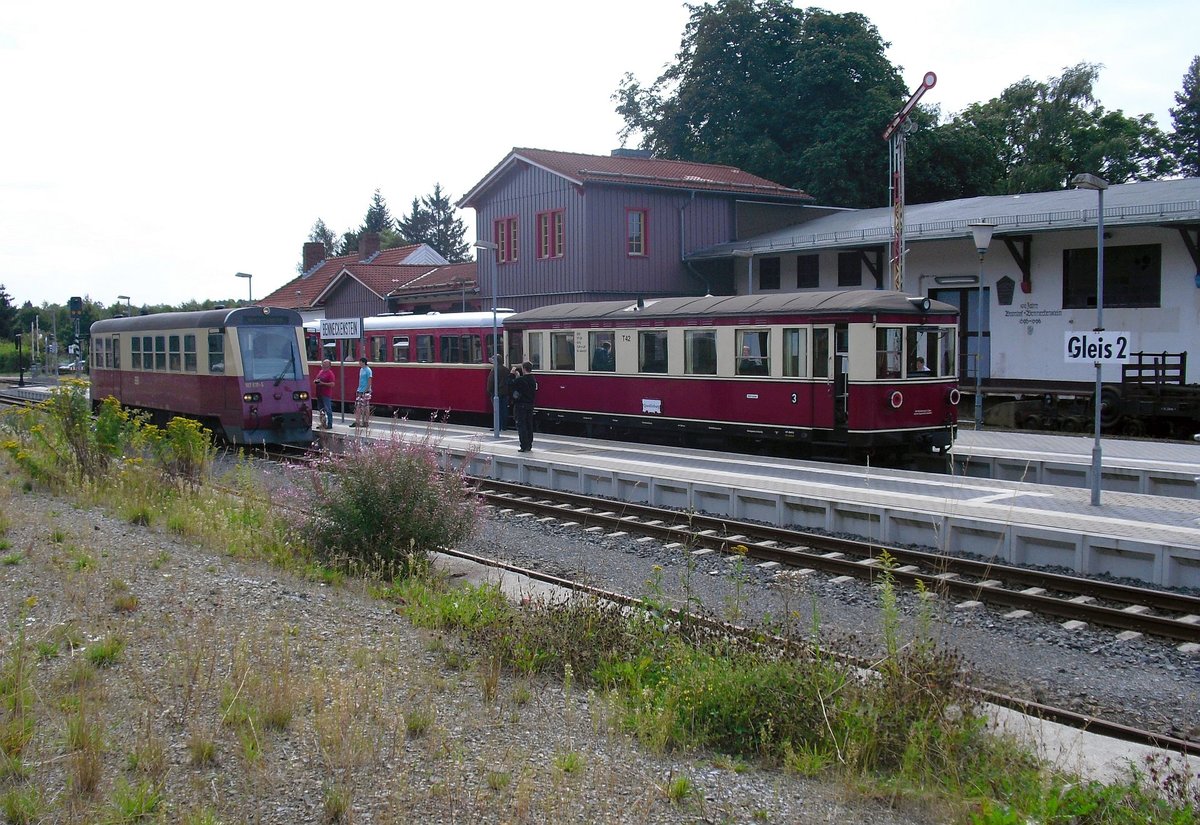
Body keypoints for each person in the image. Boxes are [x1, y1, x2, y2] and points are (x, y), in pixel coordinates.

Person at [510, 360, 537, 452]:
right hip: (530, 405)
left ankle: (523, 445)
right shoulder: (533, 379)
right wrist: (518, 377)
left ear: (524, 369)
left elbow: (509, 383)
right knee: (529, 425)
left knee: (521, 425)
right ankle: (529, 445)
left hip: (521, 405)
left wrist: (512, 373)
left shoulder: (521, 380)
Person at [485, 354, 510, 431]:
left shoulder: (494, 370)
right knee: (504, 410)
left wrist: (489, 391)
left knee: (497, 410)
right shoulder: (506, 370)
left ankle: (497, 427)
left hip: (496, 393)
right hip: (505, 393)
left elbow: (491, 382)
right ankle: (504, 426)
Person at [351, 356, 372, 429]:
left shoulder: (368, 370)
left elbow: (369, 381)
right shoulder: (361, 370)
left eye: (360, 362)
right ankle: (357, 421)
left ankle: (366, 422)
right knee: (358, 406)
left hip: (365, 391)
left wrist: (366, 390)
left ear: (363, 362)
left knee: (366, 407)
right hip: (360, 390)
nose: (359, 363)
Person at [314, 358, 335, 429]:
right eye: (323, 364)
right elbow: (317, 379)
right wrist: (316, 381)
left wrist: (323, 383)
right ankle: (323, 423)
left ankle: (329, 424)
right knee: (321, 409)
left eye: (325, 364)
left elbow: (332, 384)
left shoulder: (330, 373)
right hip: (319, 393)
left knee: (328, 409)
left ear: (329, 365)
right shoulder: (320, 372)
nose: (323, 365)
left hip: (326, 394)